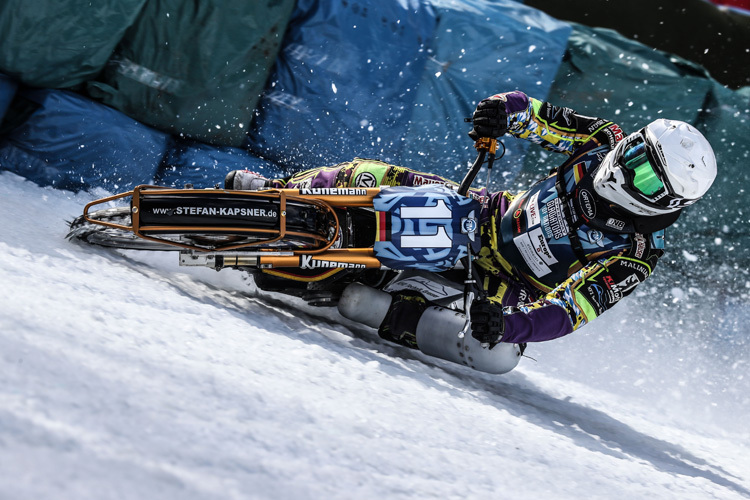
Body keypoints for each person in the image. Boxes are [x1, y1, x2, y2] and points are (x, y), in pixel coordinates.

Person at [226, 90, 717, 349]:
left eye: (647, 176)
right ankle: (277, 197)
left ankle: (348, 288)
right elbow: (534, 113)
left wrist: (510, 326)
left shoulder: (633, 257)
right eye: (636, 151)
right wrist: (502, 111)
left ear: (667, 202)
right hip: (481, 215)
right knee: (371, 174)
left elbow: (570, 311)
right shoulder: (602, 142)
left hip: (502, 286)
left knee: (474, 340)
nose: (626, 166)